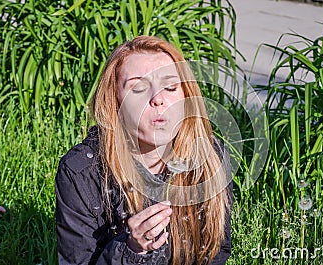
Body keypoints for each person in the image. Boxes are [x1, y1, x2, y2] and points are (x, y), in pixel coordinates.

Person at [55, 36, 232, 265]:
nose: (158, 99)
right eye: (138, 88)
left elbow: (217, 252)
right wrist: (131, 250)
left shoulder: (210, 157)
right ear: (115, 100)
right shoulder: (83, 172)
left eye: (170, 87)